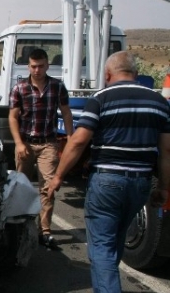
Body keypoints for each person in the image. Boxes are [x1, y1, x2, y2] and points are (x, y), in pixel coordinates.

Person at [47, 51, 170, 293]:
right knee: (116, 240)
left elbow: (79, 141)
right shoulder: (159, 103)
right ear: (135, 74)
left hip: (107, 181)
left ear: (107, 74)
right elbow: (166, 151)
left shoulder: (101, 98)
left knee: (102, 247)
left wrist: (58, 177)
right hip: (141, 183)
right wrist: (164, 188)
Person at [8, 48, 73, 250]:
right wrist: (18, 143)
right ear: (29, 66)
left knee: (49, 187)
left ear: (47, 65)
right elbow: (13, 117)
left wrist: (71, 137)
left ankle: (44, 231)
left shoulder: (57, 86)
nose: (37, 70)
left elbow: (66, 112)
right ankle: (18, 228)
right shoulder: (19, 88)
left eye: (41, 66)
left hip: (48, 143)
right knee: (22, 187)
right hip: (26, 143)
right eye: (33, 66)